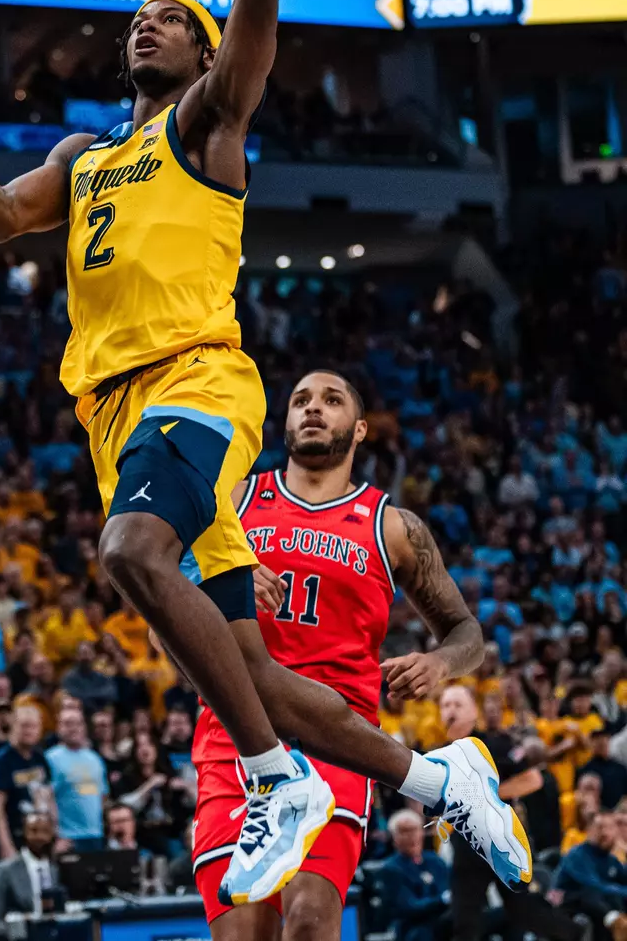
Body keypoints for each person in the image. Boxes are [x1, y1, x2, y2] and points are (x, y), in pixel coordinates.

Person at [0, 0, 531, 903]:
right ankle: (438, 774)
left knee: (129, 548)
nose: (148, 21)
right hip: (114, 411)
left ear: (206, 51)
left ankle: (280, 779)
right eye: (140, 17)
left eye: (172, 16)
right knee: (249, 672)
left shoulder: (204, 123)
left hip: (199, 381)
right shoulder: (84, 156)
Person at [192, 370, 506, 938]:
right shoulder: (233, 503)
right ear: (284, 422)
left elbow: (467, 633)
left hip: (336, 741)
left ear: (359, 429)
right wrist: (226, 582)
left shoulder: (393, 527)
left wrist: (439, 662)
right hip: (233, 734)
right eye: (301, 401)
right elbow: (172, 606)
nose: (314, 409)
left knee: (311, 921)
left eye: (332, 400)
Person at [439, 685, 581, 941]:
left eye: (458, 705)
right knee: (464, 918)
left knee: (523, 910)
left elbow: (533, 779)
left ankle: (575, 934)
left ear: (474, 711)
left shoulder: (492, 744)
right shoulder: (440, 754)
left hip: (500, 835)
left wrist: (486, 795)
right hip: (466, 839)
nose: (451, 711)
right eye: (446, 705)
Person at [0, 813, 60, 936]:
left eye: (45, 831)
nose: (40, 837)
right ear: (23, 834)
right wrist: (22, 931)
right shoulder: (5, 870)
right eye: (34, 831)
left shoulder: (55, 869)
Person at [0, 707, 52, 859]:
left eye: (33, 726)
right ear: (13, 727)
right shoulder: (2, 760)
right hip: (16, 834)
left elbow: (49, 797)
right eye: (24, 726)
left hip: (41, 835)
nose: (28, 731)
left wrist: (55, 832)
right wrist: (5, 844)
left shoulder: (40, 758)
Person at [379, 811, 450, 941]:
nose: (411, 836)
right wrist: (442, 900)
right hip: (412, 927)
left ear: (422, 832)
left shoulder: (435, 861)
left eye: (414, 830)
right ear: (394, 837)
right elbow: (409, 906)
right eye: (404, 831)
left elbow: (448, 889)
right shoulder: (391, 868)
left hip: (443, 920)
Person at [45, 708, 108, 851]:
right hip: (67, 838)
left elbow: (103, 795)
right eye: (68, 724)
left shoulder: (95, 758)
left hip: (95, 834)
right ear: (58, 727)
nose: (73, 728)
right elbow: (47, 798)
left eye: (78, 723)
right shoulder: (50, 758)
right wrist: (56, 835)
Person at [557, 812, 627, 941]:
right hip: (570, 909)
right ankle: (614, 920)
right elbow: (594, 886)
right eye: (600, 827)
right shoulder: (577, 855)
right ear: (589, 830)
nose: (605, 833)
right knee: (591, 894)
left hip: (601, 907)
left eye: (610, 828)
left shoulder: (611, 859)